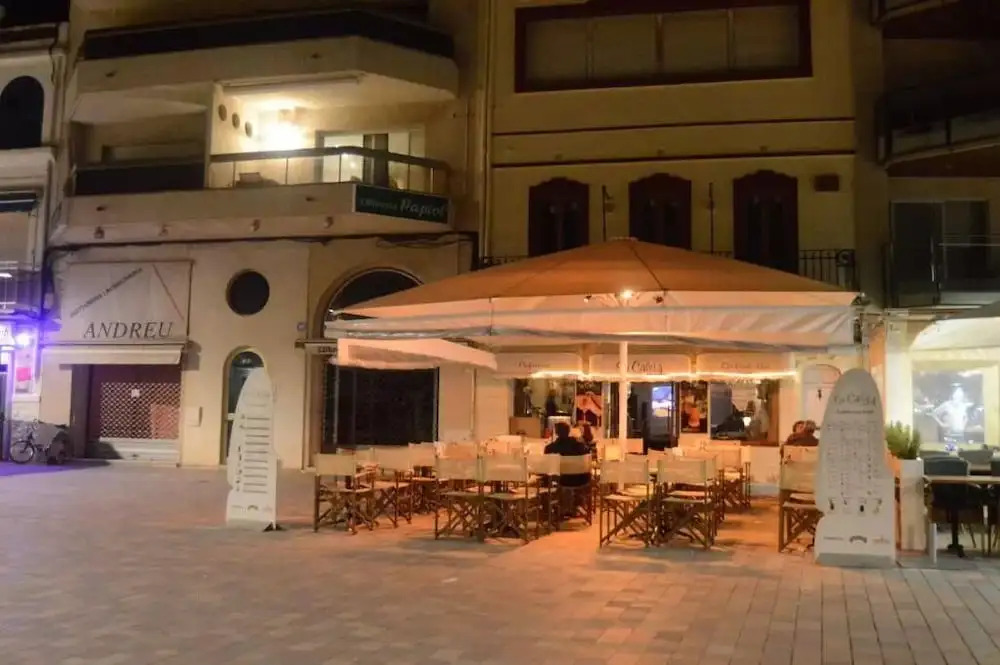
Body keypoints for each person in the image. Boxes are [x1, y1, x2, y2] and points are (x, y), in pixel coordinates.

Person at [544, 422, 590, 487]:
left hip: (565, 481)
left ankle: (557, 491)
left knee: (551, 472)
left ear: (556, 432)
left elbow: (547, 459)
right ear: (569, 431)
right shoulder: (579, 445)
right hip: (583, 479)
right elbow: (587, 453)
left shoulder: (554, 447)